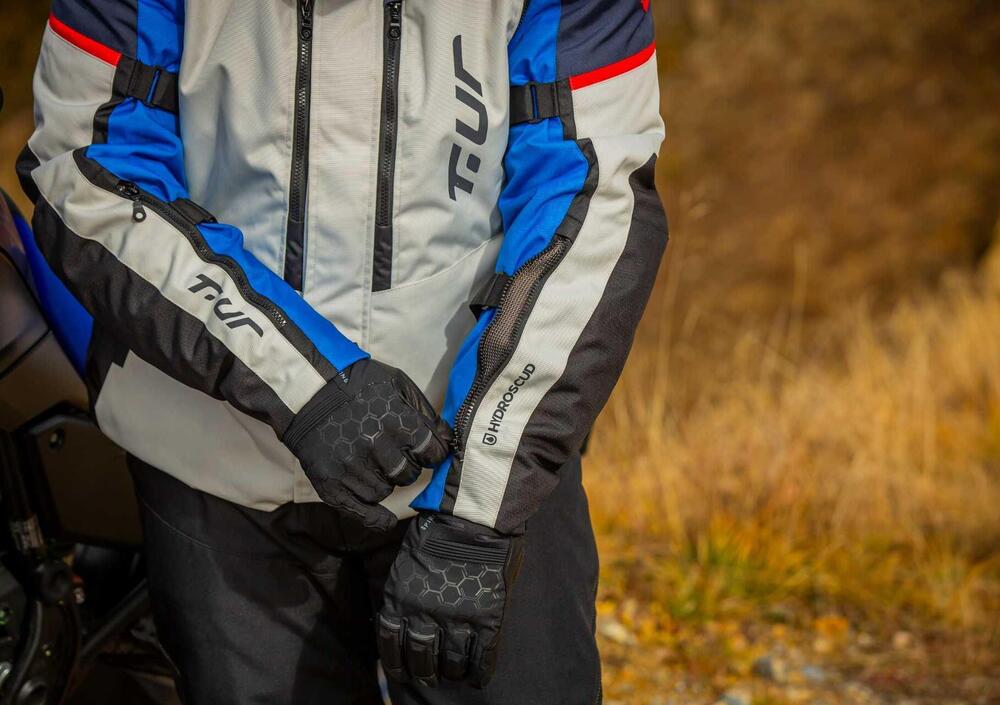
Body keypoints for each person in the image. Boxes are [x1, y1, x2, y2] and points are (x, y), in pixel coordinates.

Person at [17, 0, 667, 702]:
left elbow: (593, 195)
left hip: (476, 463)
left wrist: (478, 504)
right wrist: (308, 384)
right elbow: (87, 170)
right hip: (214, 465)